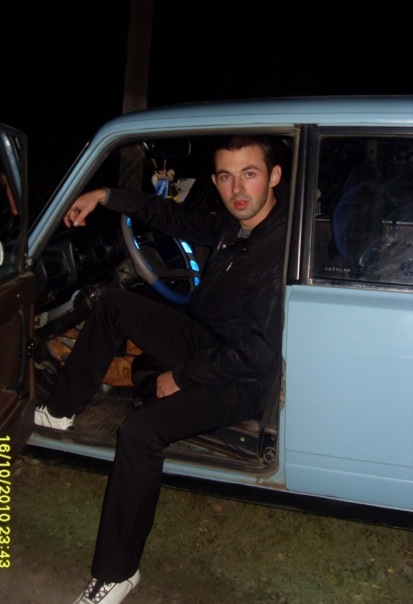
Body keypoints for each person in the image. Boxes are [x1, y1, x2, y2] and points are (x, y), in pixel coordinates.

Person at [35, 135, 287, 604]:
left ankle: (118, 573)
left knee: (140, 431)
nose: (237, 189)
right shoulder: (233, 223)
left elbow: (260, 355)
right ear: (215, 180)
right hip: (209, 343)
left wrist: (184, 374)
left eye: (249, 174)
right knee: (112, 303)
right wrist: (105, 195)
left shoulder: (279, 250)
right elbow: (170, 216)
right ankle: (60, 409)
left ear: (274, 176)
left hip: (240, 379)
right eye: (226, 176)